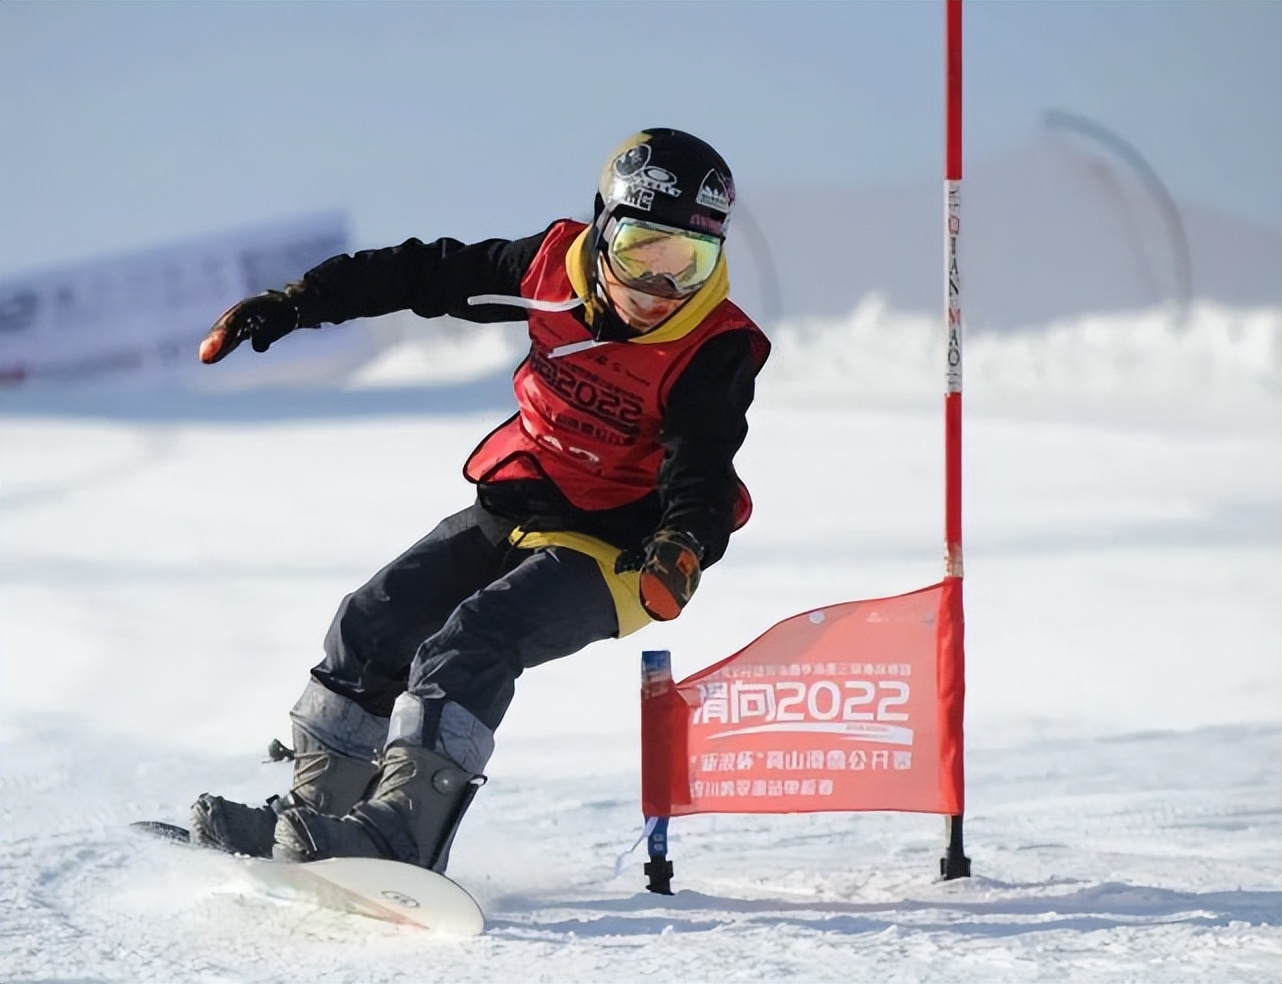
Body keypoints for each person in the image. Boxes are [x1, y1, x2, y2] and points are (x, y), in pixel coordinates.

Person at [190, 128, 771, 872]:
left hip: (626, 547)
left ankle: (402, 834)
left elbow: (703, 462)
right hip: (522, 502)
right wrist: (298, 303)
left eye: (688, 265)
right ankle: (315, 818)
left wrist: (683, 544)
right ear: (601, 230)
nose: (659, 290)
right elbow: (423, 275)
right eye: (640, 255)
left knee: (476, 638)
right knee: (375, 620)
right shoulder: (549, 268)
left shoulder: (710, 343)